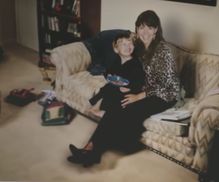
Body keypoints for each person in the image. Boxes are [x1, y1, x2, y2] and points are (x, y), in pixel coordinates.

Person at [67, 10, 180, 167]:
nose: (145, 31)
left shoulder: (163, 51)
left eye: (149, 27)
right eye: (141, 27)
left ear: (155, 30)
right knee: (117, 102)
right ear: (137, 29)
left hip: (164, 95)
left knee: (125, 106)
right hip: (143, 89)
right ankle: (91, 149)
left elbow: (166, 83)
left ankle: (95, 150)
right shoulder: (138, 47)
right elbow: (125, 60)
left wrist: (139, 96)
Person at [88, 31, 145, 118]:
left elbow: (140, 80)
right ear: (116, 49)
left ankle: (107, 113)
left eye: (130, 44)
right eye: (123, 44)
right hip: (117, 85)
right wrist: (109, 77)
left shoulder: (136, 63)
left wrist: (129, 87)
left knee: (119, 96)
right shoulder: (116, 61)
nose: (128, 46)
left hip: (130, 89)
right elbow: (109, 72)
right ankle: (95, 103)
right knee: (106, 88)